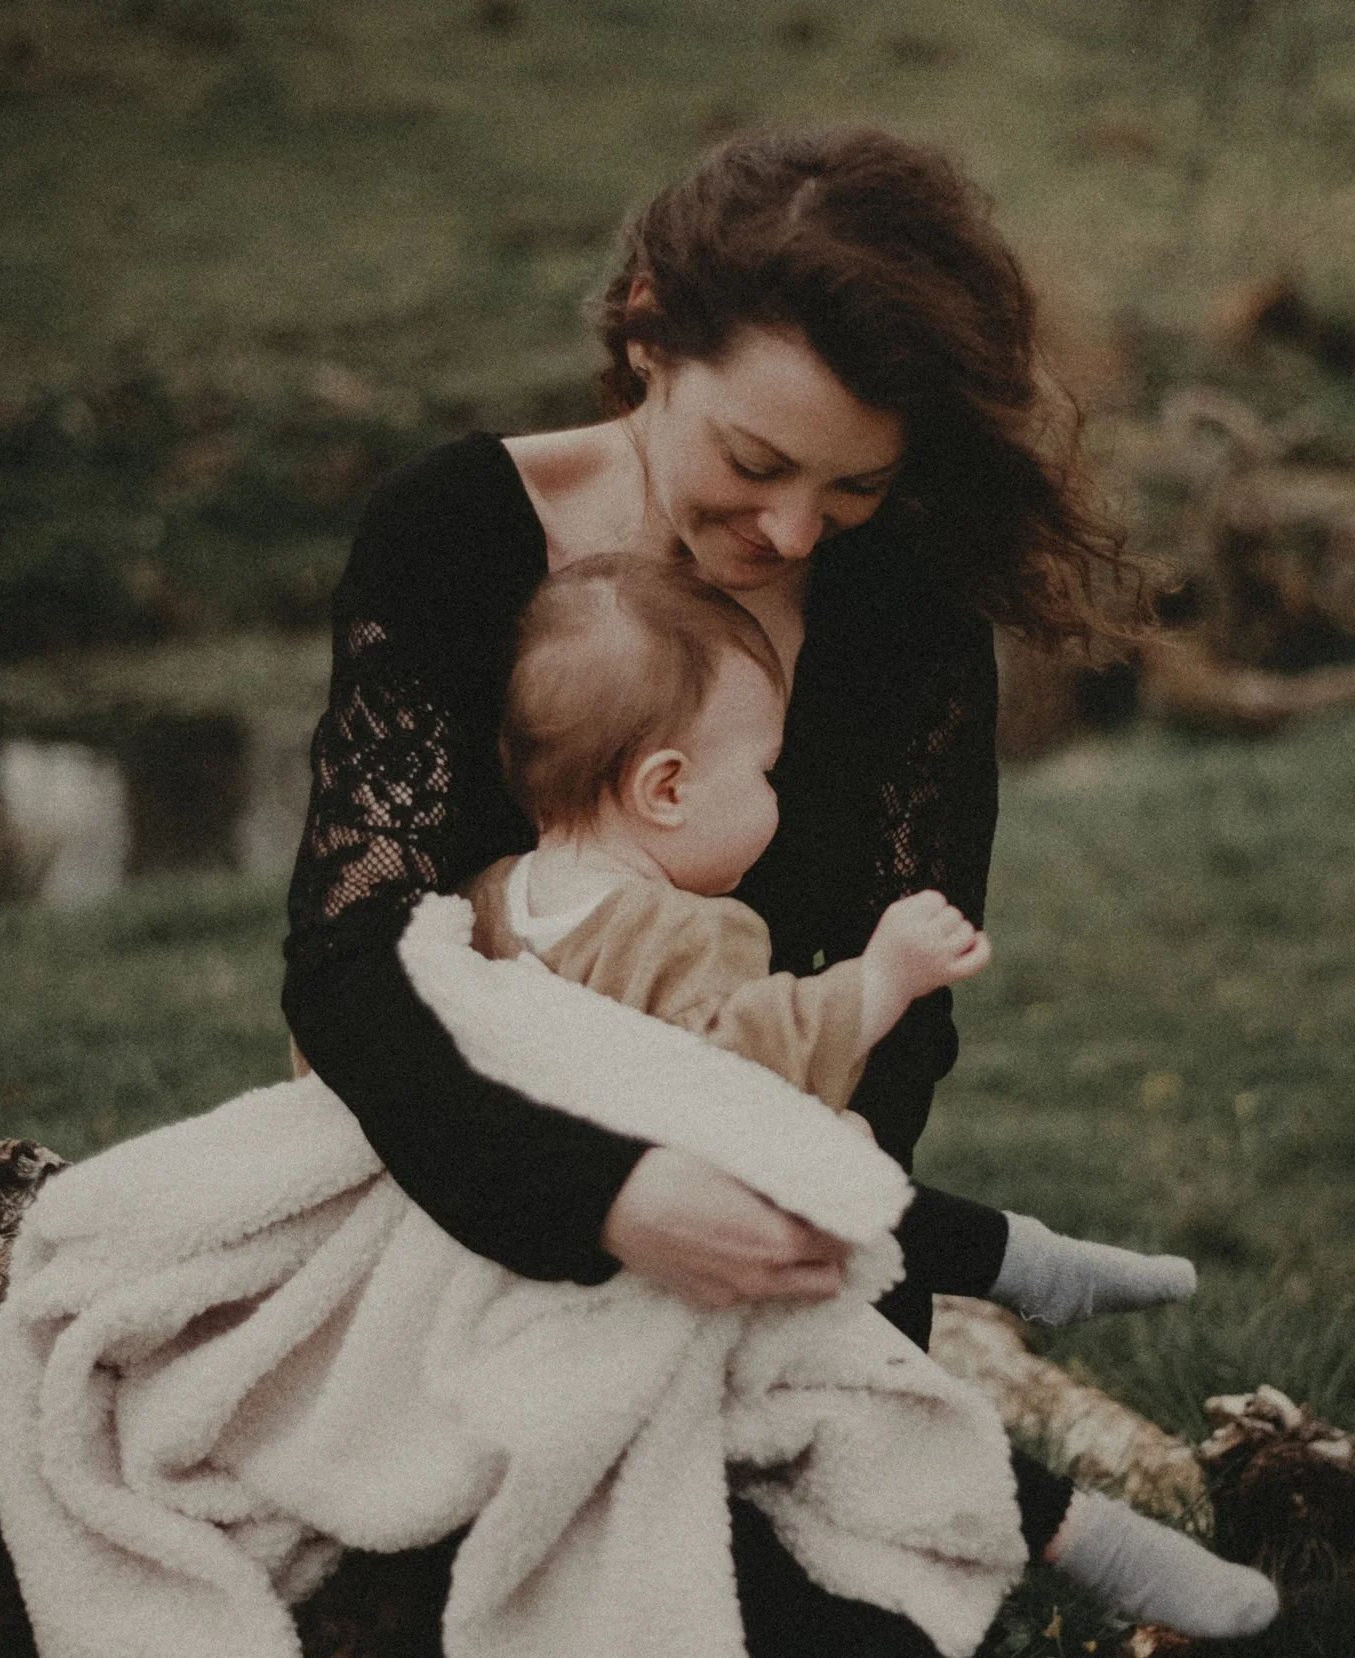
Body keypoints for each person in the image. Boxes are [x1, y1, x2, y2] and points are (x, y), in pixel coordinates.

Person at [282, 126, 1277, 1653]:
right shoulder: (452, 535)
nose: (795, 531)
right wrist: (608, 1201)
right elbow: (351, 963)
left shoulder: (907, 611)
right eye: (754, 464)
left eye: (856, 485)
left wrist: (789, 1221)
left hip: (779, 1251)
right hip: (461, 1216)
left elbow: (906, 1015)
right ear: (646, 335)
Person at [460, 551, 1277, 1641]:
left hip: (558, 1263)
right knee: (885, 1388)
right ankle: (1091, 1485)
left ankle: (1041, 1276)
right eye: (763, 771)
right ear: (666, 789)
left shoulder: (486, 900)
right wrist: (879, 979)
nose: (774, 797)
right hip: (668, 1264)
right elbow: (734, 1069)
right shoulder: (683, 931)